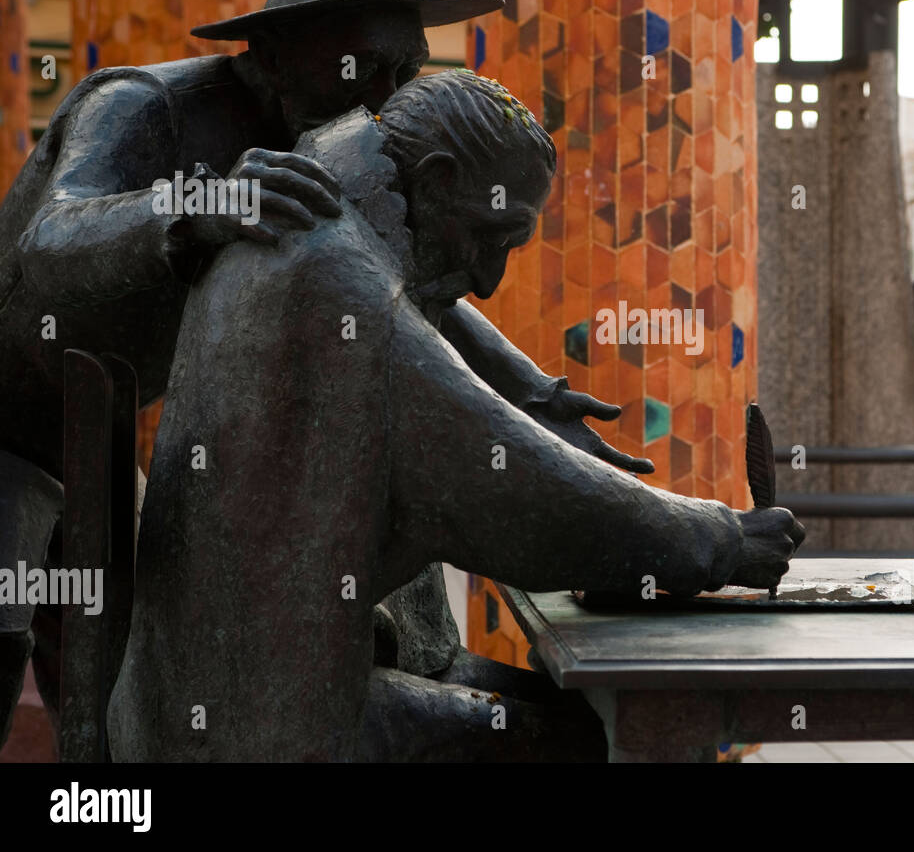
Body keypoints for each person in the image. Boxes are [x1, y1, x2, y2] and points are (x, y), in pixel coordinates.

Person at [0, 0, 645, 749]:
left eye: (401, 73)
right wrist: (203, 199)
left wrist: (532, 389)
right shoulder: (141, 105)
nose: (378, 96)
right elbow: (52, 240)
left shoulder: (321, 148)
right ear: (270, 48)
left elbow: (395, 285)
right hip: (10, 430)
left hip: (94, 431)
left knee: (130, 672)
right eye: (361, 67)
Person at [107, 71, 805, 762]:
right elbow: (516, 485)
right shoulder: (334, 277)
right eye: (491, 236)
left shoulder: (322, 219)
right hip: (260, 733)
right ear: (436, 182)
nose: (491, 277)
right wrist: (725, 540)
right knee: (634, 737)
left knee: (590, 713)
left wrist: (535, 401)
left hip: (227, 698)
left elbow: (446, 340)